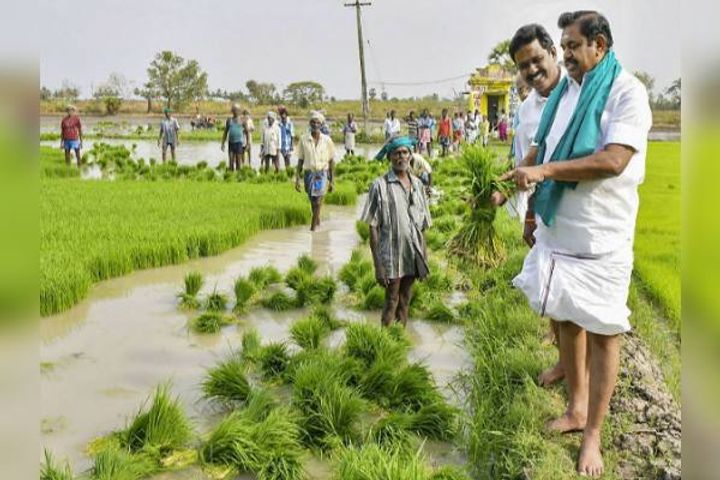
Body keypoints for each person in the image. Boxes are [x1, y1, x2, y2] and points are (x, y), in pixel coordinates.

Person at [499, 11, 652, 477]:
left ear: (599, 45)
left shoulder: (627, 92)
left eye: (570, 46)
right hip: (560, 230)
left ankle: (593, 437)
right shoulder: (566, 92)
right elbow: (543, 146)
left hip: (601, 237)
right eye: (562, 46)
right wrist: (508, 184)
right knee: (565, 316)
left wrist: (543, 173)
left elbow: (612, 160)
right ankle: (575, 408)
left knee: (604, 333)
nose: (563, 56)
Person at [362, 136, 432, 327]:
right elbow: (373, 227)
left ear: (411, 155)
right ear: (390, 157)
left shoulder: (418, 185)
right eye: (396, 153)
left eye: (404, 153)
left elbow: (423, 226)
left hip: (412, 252)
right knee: (392, 298)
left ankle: (400, 338)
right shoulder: (380, 186)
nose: (401, 157)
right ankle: (385, 338)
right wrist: (378, 266)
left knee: (406, 298)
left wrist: (423, 258)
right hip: (391, 255)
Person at [295, 111, 336, 231]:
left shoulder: (327, 140)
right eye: (313, 122)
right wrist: (297, 179)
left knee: (318, 202)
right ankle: (318, 222)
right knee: (313, 203)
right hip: (309, 174)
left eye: (318, 122)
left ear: (321, 125)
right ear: (309, 124)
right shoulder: (304, 139)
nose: (315, 124)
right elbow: (300, 161)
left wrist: (332, 180)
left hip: (321, 174)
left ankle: (312, 230)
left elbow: (332, 161)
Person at [220, 103, 245, 171]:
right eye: (234, 110)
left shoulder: (242, 120)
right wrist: (222, 143)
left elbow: (247, 132)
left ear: (239, 111)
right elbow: (225, 132)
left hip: (239, 143)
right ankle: (231, 176)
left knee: (238, 162)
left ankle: (238, 177)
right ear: (232, 111)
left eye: (237, 110)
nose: (235, 112)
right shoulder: (229, 120)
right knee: (231, 161)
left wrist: (248, 143)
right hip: (231, 143)